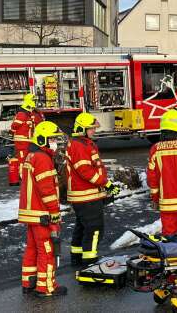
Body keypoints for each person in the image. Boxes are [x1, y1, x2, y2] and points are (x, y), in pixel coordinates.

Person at [18, 121, 67, 297]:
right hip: (42, 214)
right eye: (52, 138)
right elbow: (47, 191)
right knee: (47, 250)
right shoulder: (42, 158)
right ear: (42, 139)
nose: (55, 142)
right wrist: (54, 213)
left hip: (31, 213)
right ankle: (46, 287)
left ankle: (28, 282)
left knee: (32, 248)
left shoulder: (31, 156)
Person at [66, 113, 120, 267]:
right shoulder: (79, 145)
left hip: (84, 195)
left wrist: (105, 186)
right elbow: (86, 171)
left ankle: (77, 257)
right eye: (91, 129)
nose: (93, 131)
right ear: (82, 129)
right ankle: (89, 259)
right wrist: (106, 184)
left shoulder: (82, 143)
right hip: (86, 196)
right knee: (94, 227)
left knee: (82, 227)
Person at [9, 93, 45, 185]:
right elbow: (14, 126)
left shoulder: (28, 114)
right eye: (34, 100)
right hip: (21, 142)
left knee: (26, 159)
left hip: (27, 141)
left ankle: (25, 177)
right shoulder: (22, 114)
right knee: (22, 160)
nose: (35, 103)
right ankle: (23, 178)